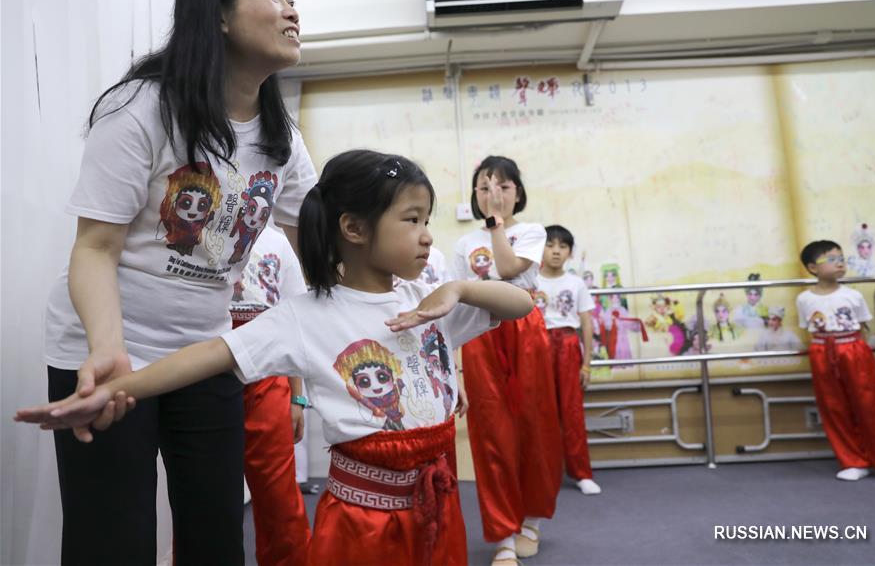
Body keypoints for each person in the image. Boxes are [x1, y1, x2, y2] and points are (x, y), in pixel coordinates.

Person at [18, 150, 535, 566]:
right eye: (411, 219)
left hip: (438, 510)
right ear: (354, 229)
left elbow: (521, 304)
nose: (426, 233)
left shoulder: (429, 302)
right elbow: (209, 356)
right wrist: (112, 388)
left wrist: (460, 290)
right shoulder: (306, 316)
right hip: (361, 525)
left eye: (427, 219)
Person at [38, 0, 317, 564]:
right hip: (109, 347)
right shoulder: (141, 108)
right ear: (217, 15)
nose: (292, 9)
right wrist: (109, 353)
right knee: (112, 539)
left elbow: (318, 253)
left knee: (216, 534)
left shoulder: (281, 141)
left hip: (204, 356)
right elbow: (94, 247)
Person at [452, 156, 562, 566]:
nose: (492, 195)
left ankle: (531, 518)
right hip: (481, 334)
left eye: (502, 187)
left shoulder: (532, 232)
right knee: (492, 432)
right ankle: (503, 536)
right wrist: (456, 370)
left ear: (518, 191)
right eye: (483, 188)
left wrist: (497, 226)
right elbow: (457, 300)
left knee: (536, 425)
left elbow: (508, 267)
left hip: (525, 331)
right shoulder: (464, 244)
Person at [230, 225, 311, 566]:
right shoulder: (207, 231)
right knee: (205, 495)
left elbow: (295, 325)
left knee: (278, 497)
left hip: (267, 375)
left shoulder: (278, 243)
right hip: (208, 373)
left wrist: (297, 398)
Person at [795, 240, 875, 481]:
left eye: (841, 258)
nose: (839, 263)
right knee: (834, 407)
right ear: (813, 267)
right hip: (822, 351)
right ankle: (852, 460)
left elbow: (862, 325)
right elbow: (807, 327)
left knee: (870, 404)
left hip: (853, 349)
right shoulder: (804, 299)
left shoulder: (852, 295)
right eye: (831, 259)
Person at [536, 225, 601, 496]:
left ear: (569, 253)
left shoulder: (576, 284)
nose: (555, 251)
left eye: (562, 247)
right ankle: (543, 473)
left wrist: (586, 363)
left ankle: (581, 472)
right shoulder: (530, 281)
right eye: (550, 245)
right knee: (539, 412)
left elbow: (586, 324)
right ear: (541, 248)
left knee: (572, 412)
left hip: (567, 345)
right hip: (536, 346)